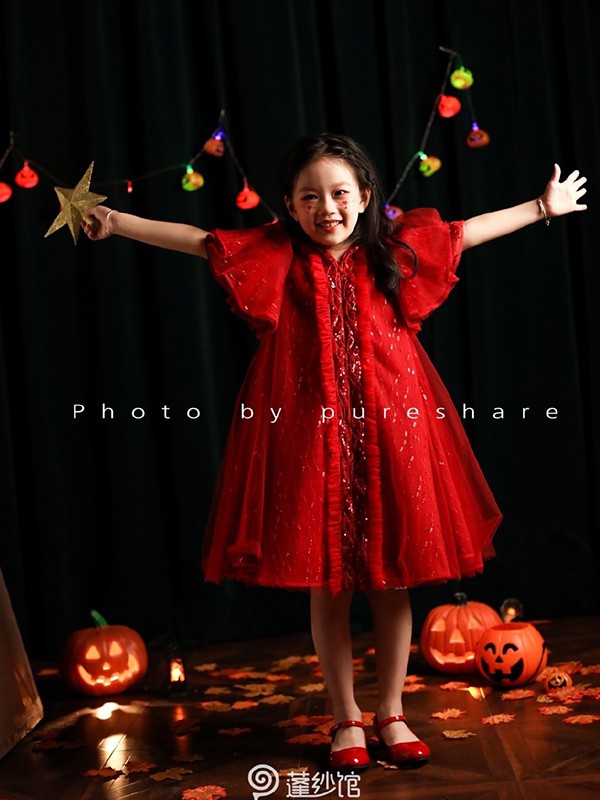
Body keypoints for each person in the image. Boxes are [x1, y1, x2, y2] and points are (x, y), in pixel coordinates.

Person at [83, 133, 587, 772]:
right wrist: (116, 221)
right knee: (329, 583)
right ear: (290, 206)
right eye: (310, 197)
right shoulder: (276, 255)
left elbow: (466, 232)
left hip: (392, 430)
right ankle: (346, 715)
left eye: (340, 193)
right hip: (313, 437)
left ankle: (392, 711)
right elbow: (197, 238)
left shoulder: (394, 251)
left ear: (365, 196)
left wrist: (541, 208)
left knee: (392, 578)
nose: (327, 208)